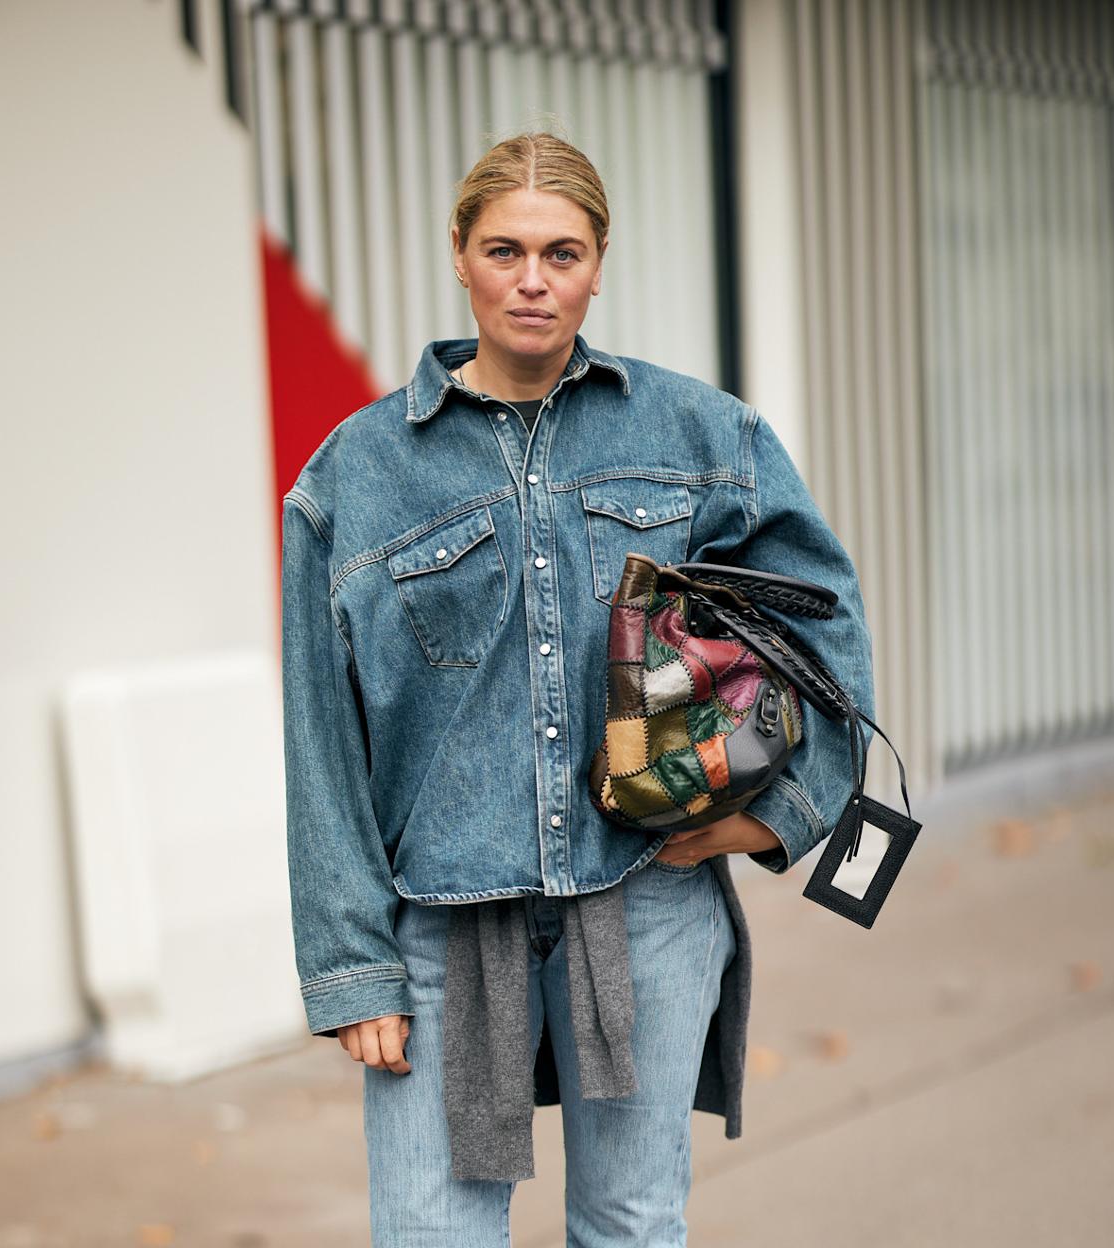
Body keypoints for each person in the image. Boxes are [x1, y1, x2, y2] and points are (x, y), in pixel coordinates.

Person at [280, 131, 875, 1247]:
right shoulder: (356, 474)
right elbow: (320, 734)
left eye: (563, 252)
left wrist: (781, 815)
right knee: (429, 1234)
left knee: (631, 1227)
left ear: (599, 265)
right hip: (445, 926)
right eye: (504, 250)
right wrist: (352, 966)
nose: (533, 280)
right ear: (459, 254)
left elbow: (824, 620)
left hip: (643, 900)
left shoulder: (700, 433)